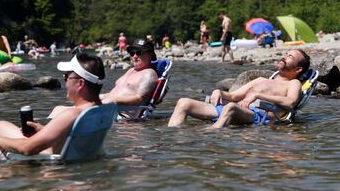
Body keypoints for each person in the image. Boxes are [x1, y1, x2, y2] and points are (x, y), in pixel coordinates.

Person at [0, 53, 105, 160]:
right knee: (0, 124)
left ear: (80, 84)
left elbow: (27, 149)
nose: (64, 80)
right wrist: (44, 130)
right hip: (63, 153)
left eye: (66, 77)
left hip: (36, 163)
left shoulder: (72, 114)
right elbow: (74, 138)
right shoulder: (102, 109)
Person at [168, 49, 311, 128]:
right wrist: (219, 91)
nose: (284, 56)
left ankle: (209, 138)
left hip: (260, 116)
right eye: (286, 54)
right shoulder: (261, 80)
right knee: (184, 103)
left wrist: (259, 96)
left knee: (230, 107)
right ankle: (174, 140)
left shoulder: (293, 83)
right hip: (235, 109)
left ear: (298, 69)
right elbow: (233, 96)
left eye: (290, 56)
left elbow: (290, 103)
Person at [100, 38, 158, 106]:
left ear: (150, 55)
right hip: (108, 108)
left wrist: (111, 101)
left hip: (121, 113)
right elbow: (115, 93)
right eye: (132, 53)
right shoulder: (131, 70)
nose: (135, 56)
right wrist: (99, 97)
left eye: (139, 52)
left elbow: (139, 98)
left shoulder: (149, 74)